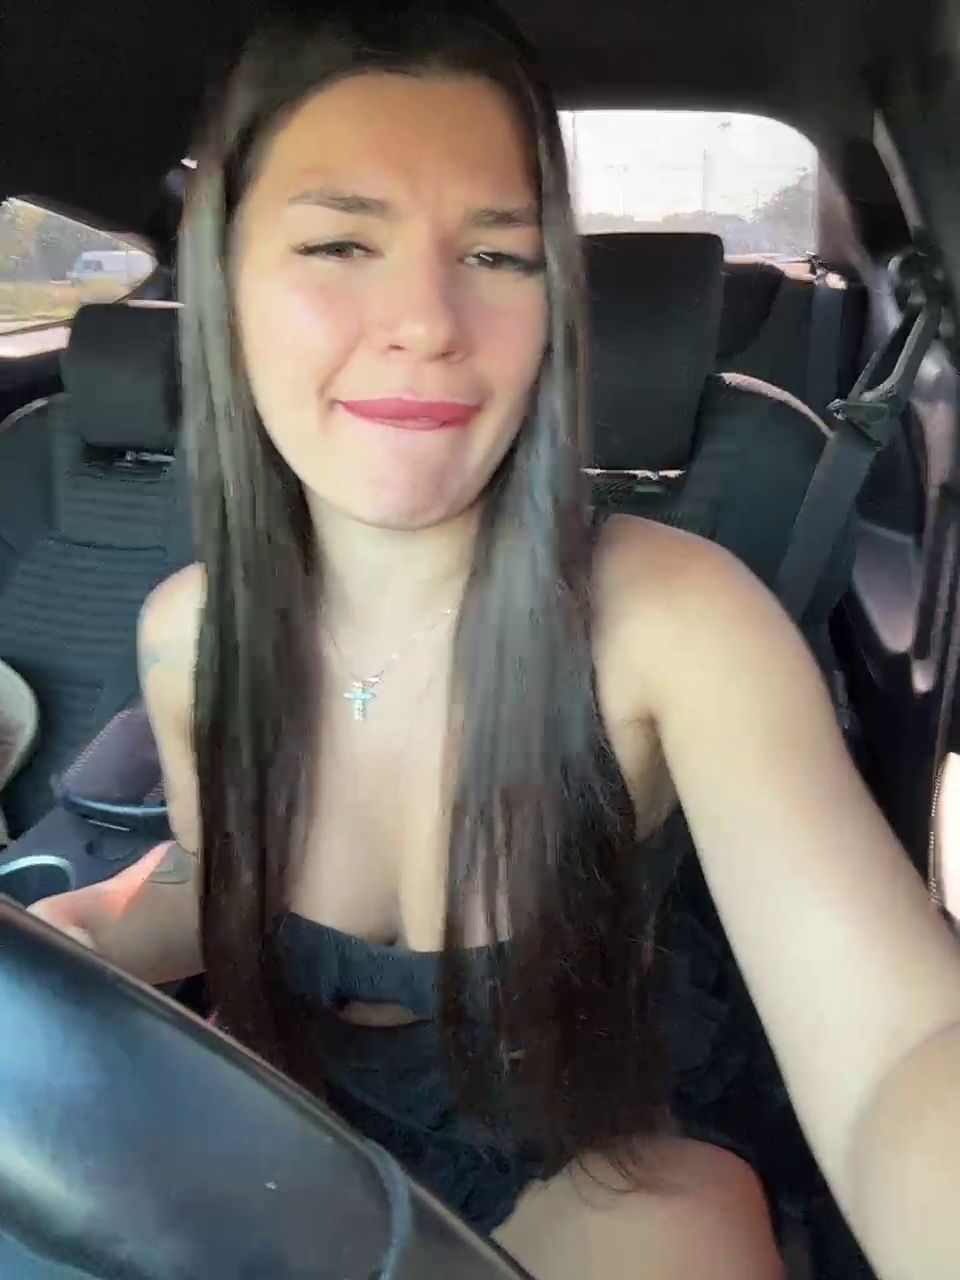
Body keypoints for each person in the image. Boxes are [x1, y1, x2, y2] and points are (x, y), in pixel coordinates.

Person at [29, 3, 960, 1277]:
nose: (427, 320)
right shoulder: (189, 633)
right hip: (281, 1127)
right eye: (341, 242)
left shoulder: (674, 618)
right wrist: (64, 940)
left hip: (584, 1151)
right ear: (225, 281)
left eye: (498, 254)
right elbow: (207, 877)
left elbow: (900, 1052)